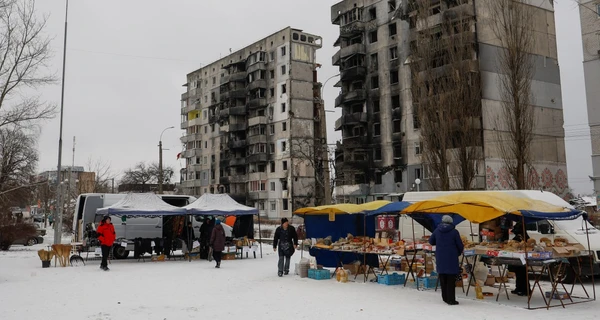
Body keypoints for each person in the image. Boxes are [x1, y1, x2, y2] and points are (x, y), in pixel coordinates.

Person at [428, 215, 464, 305]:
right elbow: (460, 245)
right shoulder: (454, 232)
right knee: (451, 279)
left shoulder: (437, 230)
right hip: (451, 257)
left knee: (443, 277)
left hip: (440, 257)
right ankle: (451, 299)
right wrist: (458, 252)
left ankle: (445, 298)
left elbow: (431, 241)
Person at [509, 221, 530, 296]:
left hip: (523, 256)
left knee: (522, 273)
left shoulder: (522, 236)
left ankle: (525, 290)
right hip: (518, 256)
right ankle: (519, 288)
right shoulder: (521, 234)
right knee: (518, 273)